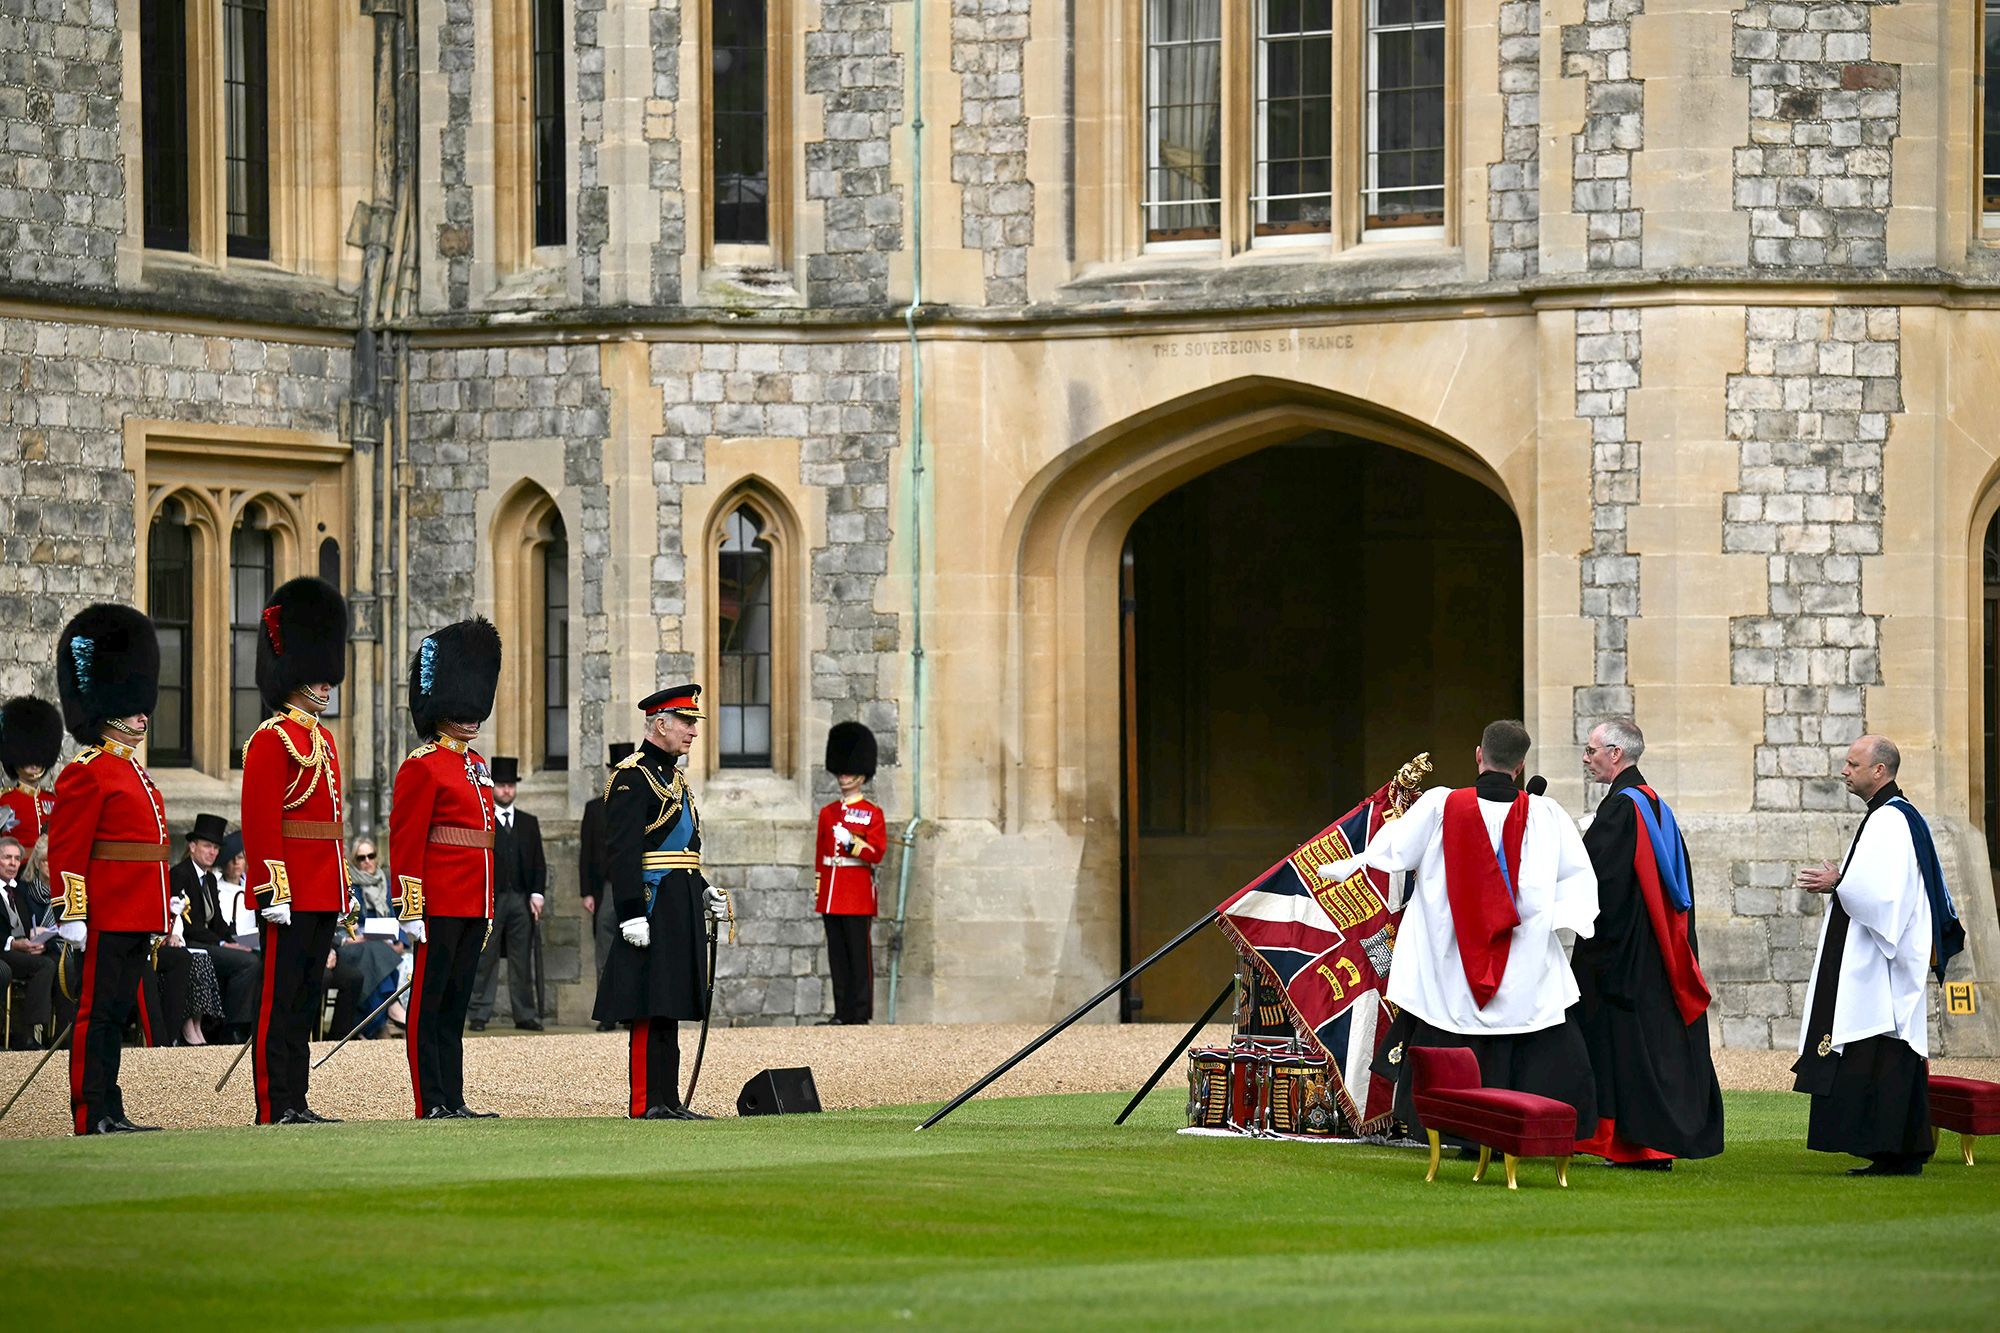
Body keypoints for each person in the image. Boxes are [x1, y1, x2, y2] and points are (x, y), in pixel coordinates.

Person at [1320, 719, 1600, 1143]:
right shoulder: (1547, 816)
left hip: (1448, 957)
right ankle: (1532, 1127)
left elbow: (1393, 850)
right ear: (1521, 766)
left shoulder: (1438, 807)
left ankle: (1447, 1126)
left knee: (1444, 1027)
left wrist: (1346, 863)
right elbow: (1578, 881)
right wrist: (1551, 918)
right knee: (1539, 1026)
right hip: (1520, 960)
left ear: (1478, 755)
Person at [1793, 735, 1965, 1176]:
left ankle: (1894, 1152)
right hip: (1881, 956)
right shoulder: (1892, 815)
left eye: (1853, 764)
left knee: (1881, 1053)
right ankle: (1900, 1151)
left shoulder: (1890, 820)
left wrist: (1838, 881)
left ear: (1880, 771)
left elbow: (1883, 895)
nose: (1844, 771)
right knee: (1889, 1055)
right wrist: (1845, 879)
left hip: (1879, 961)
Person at [1569, 718, 1724, 1169]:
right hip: (1656, 950)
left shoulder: (1621, 809)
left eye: (1591, 750)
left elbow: (1601, 883)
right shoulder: (1655, 805)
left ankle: (1640, 1146)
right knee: (1653, 1047)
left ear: (1615, 753)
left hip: (1625, 956)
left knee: (1626, 1048)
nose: (1586, 758)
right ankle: (1649, 1144)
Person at [48, 603, 170, 1134]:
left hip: (136, 910)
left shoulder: (133, 772)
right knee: (95, 1013)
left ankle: (111, 1107)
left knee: (116, 1013)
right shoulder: (87, 773)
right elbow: (66, 847)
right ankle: (88, 1110)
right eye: (134, 707)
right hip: (104, 910)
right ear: (110, 707)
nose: (144, 716)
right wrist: (71, 911)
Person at [241, 576, 353, 1126]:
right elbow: (261, 823)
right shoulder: (271, 738)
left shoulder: (325, 741)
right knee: (278, 1000)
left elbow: (331, 825)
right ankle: (273, 1101)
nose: (327, 685)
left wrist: (342, 887)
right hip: (288, 891)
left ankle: (298, 1098)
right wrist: (270, 888)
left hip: (322, 888)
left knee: (307, 998)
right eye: (318, 675)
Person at [593, 684, 731, 1119]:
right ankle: (646, 1102)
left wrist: (703, 889)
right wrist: (631, 913)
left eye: (693, 723)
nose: (693, 731)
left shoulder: (675, 779)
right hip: (651, 904)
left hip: (679, 897)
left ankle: (667, 1099)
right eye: (686, 722)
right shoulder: (632, 777)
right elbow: (622, 851)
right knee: (646, 1003)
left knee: (668, 1001)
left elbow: (684, 847)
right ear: (660, 724)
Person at [391, 617, 503, 1120]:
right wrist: (409, 904)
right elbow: (407, 839)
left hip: (472, 902)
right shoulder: (422, 765)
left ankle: (453, 1098)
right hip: (437, 901)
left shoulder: (475, 764)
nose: (473, 717)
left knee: (455, 1006)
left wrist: (487, 902)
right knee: (428, 1005)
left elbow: (483, 841)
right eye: (465, 707)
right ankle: (429, 1100)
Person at [814, 722, 887, 1025]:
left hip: (856, 893)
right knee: (837, 956)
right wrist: (820, 891)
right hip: (832, 892)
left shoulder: (872, 813)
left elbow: (877, 853)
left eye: (848, 772)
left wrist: (853, 843)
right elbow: (820, 856)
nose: (843, 777)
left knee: (859, 956)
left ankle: (860, 1013)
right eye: (841, 772)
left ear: (861, 775)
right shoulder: (828, 812)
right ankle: (842, 1012)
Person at [470, 756, 547, 1031]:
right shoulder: (484, 821)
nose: (506, 790)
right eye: (501, 785)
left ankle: (525, 1013)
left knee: (521, 958)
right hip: (492, 899)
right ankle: (479, 1013)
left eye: (510, 785)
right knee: (485, 957)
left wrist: (538, 893)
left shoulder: (529, 822)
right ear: (493, 789)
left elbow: (539, 861)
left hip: (521, 898)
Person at [170, 812, 261, 1043]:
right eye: (207, 846)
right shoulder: (181, 874)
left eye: (216, 848)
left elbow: (218, 921)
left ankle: (242, 1023)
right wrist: (222, 943)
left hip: (208, 941)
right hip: (189, 943)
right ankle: (232, 1027)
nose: (213, 852)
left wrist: (232, 941)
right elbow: (188, 926)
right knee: (247, 963)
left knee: (254, 954)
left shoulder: (209, 879)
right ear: (192, 846)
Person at [580, 741, 634, 1031]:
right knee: (605, 953)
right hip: (607, 889)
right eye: (616, 770)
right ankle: (608, 1014)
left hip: (635, 887)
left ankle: (631, 1013)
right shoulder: (594, 808)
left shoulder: (643, 805)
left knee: (635, 951)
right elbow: (586, 852)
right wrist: (587, 891)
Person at [1, 835, 57, 1049]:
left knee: (49, 961)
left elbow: (25, 925)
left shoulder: (18, 890)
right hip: (4, 950)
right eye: (7, 858)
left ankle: (34, 1035)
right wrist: (14, 943)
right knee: (44, 965)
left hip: (21, 949)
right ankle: (28, 1035)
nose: (13, 863)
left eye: (16, 858)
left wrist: (36, 938)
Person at [0, 695, 63, 847]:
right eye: (28, 759)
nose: (34, 764)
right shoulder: (4, 801)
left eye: (38, 759)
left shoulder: (53, 800)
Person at [348, 837, 391, 919]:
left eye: (371, 856)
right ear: (355, 861)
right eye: (361, 858)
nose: (367, 861)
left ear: (376, 858)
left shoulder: (389, 885)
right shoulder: (349, 889)